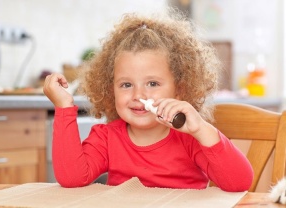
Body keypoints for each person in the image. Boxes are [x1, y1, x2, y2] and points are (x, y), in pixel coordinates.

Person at [43, 11, 253, 192]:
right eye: (126, 85)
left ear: (179, 90)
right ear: (111, 90)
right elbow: (71, 178)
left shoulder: (190, 139)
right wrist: (64, 107)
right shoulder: (106, 138)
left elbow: (240, 182)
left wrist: (201, 129)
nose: (138, 95)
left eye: (152, 84)